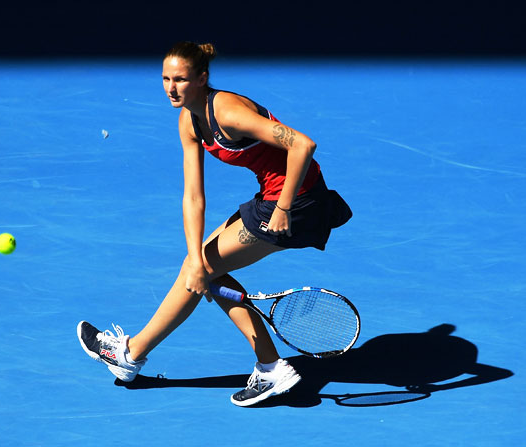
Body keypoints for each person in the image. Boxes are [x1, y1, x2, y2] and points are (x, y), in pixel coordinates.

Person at [77, 41, 352, 407]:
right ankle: (263, 365)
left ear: (202, 78)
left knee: (205, 270)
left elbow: (302, 144)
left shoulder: (228, 112)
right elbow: (193, 197)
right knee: (200, 268)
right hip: (272, 198)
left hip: (294, 203)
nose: (172, 87)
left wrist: (283, 208)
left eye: (181, 79)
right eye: (166, 79)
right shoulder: (188, 120)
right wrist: (195, 259)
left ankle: (132, 356)